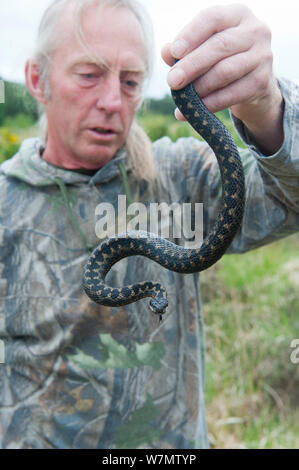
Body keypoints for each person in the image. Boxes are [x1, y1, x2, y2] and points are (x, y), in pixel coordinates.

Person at [0, 0, 298, 449]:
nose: (111, 101)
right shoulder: (6, 204)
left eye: (131, 80)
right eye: (88, 74)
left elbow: (287, 197)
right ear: (37, 81)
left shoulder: (181, 175)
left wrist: (266, 109)